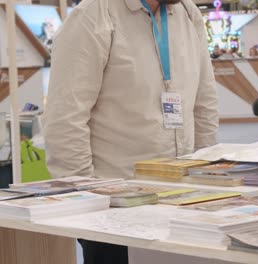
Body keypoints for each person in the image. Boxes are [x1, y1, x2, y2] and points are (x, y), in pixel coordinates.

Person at [43, 0, 219, 263]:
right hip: (115, 212)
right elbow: (65, 119)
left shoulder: (187, 13)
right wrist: (90, 205)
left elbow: (204, 105)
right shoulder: (93, 16)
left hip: (182, 204)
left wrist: (205, 183)